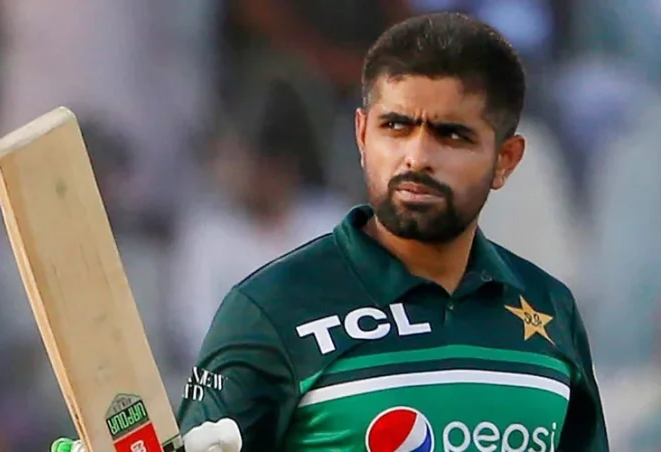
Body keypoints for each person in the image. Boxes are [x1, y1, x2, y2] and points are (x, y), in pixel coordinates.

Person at [52, 12, 608, 452]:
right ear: (362, 135)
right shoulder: (271, 309)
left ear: (506, 159)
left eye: (452, 135)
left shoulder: (549, 309)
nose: (417, 156)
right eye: (396, 126)